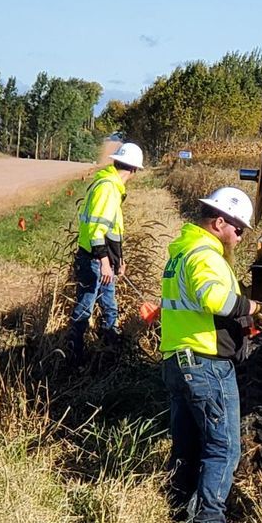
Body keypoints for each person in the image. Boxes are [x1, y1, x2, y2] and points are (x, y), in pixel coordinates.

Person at [160, 187, 262, 523]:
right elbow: (214, 299)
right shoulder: (205, 255)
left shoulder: (181, 252)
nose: (239, 236)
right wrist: (250, 306)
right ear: (219, 222)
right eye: (238, 229)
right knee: (224, 448)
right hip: (206, 364)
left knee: (189, 444)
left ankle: (178, 511)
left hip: (179, 360)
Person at [68, 141, 144, 361]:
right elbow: (96, 229)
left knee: (110, 305)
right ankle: (74, 355)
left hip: (103, 260)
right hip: (93, 260)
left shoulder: (111, 186)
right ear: (134, 169)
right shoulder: (108, 188)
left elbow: (112, 230)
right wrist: (103, 262)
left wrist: (118, 260)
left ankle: (111, 348)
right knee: (85, 306)